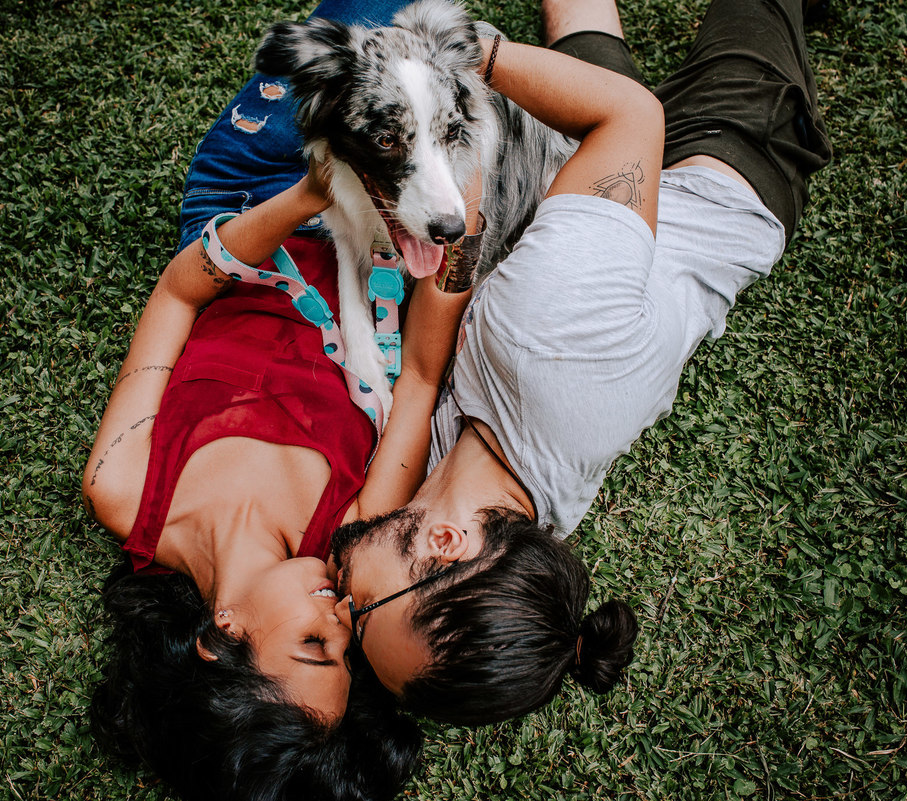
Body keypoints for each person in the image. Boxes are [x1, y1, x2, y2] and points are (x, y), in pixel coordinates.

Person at [330, 0, 833, 726]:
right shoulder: (548, 348)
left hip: (571, 203)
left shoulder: (481, 508)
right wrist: (464, 52)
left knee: (573, 14)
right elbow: (628, 119)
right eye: (362, 611)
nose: (340, 607)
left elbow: (419, 378)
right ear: (445, 543)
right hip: (715, 166)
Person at [80, 1, 476, 798]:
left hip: (250, 203)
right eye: (346, 651)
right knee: (437, 67)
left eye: (313, 645)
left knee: (363, 27)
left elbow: (177, 295)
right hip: (381, 249)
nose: (342, 620)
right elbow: (418, 383)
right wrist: (454, 247)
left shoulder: (124, 491)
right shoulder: (352, 536)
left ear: (220, 636)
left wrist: (307, 195)